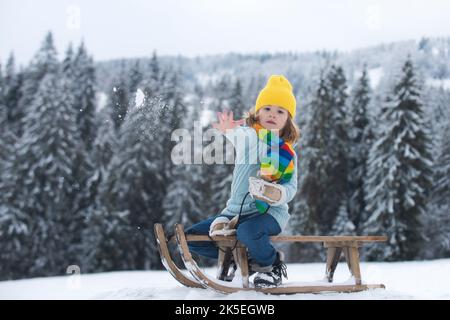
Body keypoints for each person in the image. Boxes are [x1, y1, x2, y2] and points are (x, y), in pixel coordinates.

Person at [185, 75, 300, 288]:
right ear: (257, 112)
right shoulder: (248, 136)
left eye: (280, 111)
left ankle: (271, 264)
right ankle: (239, 256)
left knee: (247, 232)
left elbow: (291, 188)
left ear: (288, 119)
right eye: (267, 109)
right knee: (192, 237)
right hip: (234, 212)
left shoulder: (286, 151)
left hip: (269, 213)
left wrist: (278, 194)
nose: (272, 114)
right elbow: (236, 134)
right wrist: (228, 129)